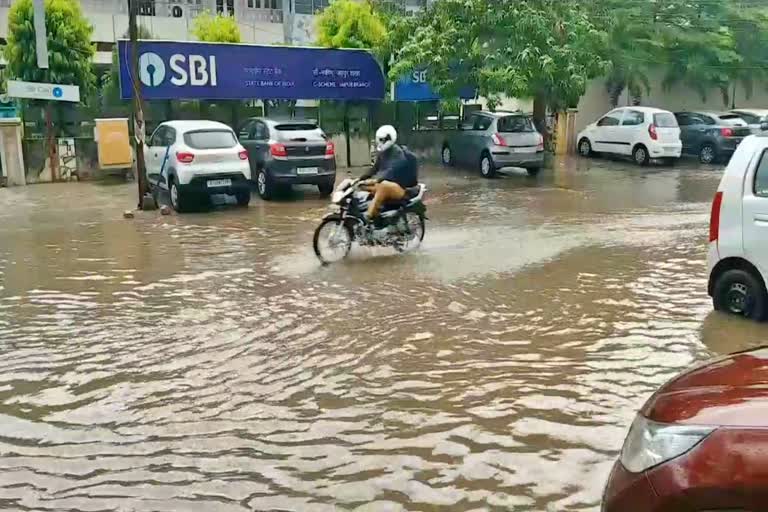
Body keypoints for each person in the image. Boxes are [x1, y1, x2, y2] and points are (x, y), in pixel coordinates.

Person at [359, 125, 418, 223]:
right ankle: (374, 216)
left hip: (401, 189)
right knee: (361, 186)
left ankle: (369, 216)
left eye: (383, 140)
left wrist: (376, 180)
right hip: (387, 185)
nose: (381, 142)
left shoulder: (398, 154)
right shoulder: (383, 153)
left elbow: (390, 172)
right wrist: (360, 179)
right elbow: (374, 169)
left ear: (390, 138)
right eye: (380, 140)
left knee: (383, 185)